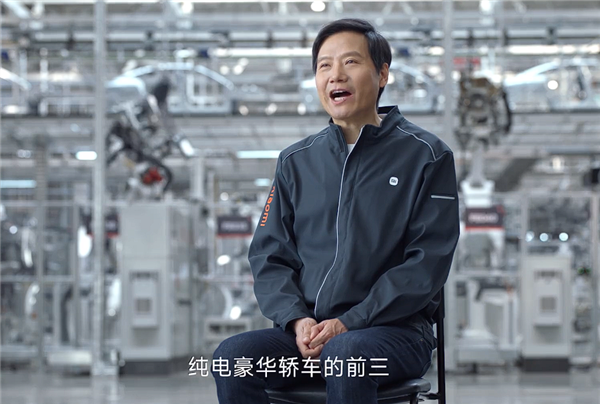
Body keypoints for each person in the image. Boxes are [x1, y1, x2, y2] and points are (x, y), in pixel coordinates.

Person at [212, 18, 460, 404]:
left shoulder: (426, 156)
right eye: (324, 65)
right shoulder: (296, 161)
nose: (335, 75)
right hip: (307, 333)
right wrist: (297, 319)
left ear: (382, 74)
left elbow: (426, 264)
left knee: (345, 356)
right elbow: (269, 255)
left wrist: (350, 322)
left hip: (394, 332)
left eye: (350, 62)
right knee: (231, 358)